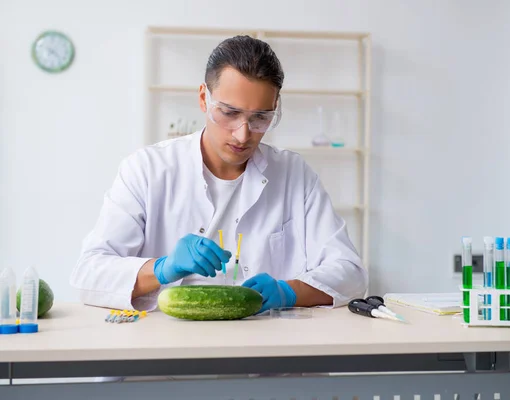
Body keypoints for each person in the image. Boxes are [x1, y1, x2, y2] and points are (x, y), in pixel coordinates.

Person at [70, 35, 367, 314]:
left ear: (274, 108)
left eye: (260, 118)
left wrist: (288, 292)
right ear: (203, 98)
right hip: (163, 357)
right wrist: (162, 268)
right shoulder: (147, 169)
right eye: (229, 113)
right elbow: (89, 273)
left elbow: (350, 273)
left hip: (267, 350)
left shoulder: (294, 174)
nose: (243, 134)